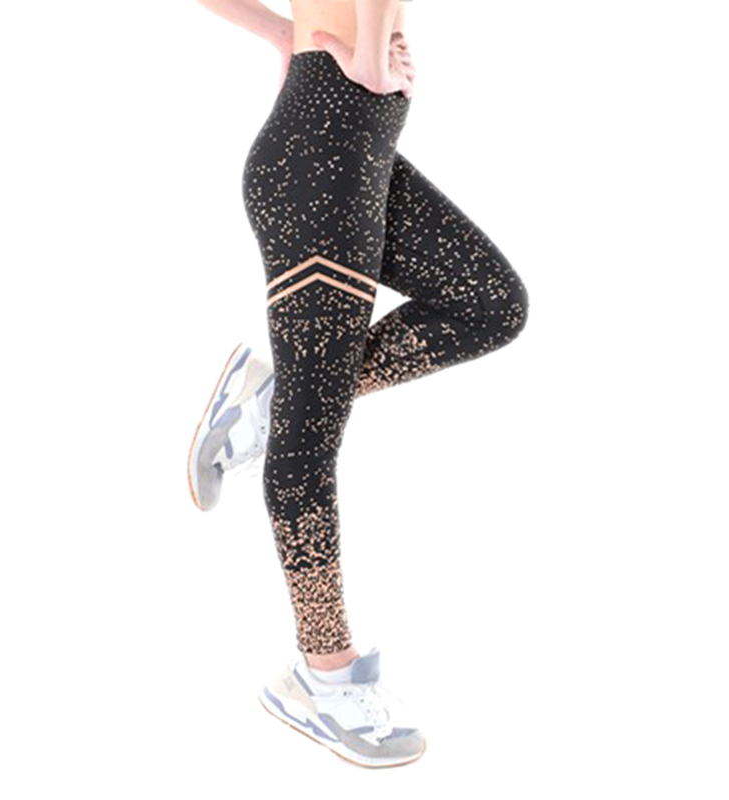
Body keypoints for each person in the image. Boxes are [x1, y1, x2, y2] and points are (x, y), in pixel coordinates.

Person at [188, 0, 529, 767]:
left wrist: (291, 35)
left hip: (345, 146)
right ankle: (323, 673)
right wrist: (370, 53)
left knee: (489, 305)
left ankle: (271, 401)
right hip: (325, 153)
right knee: (306, 449)